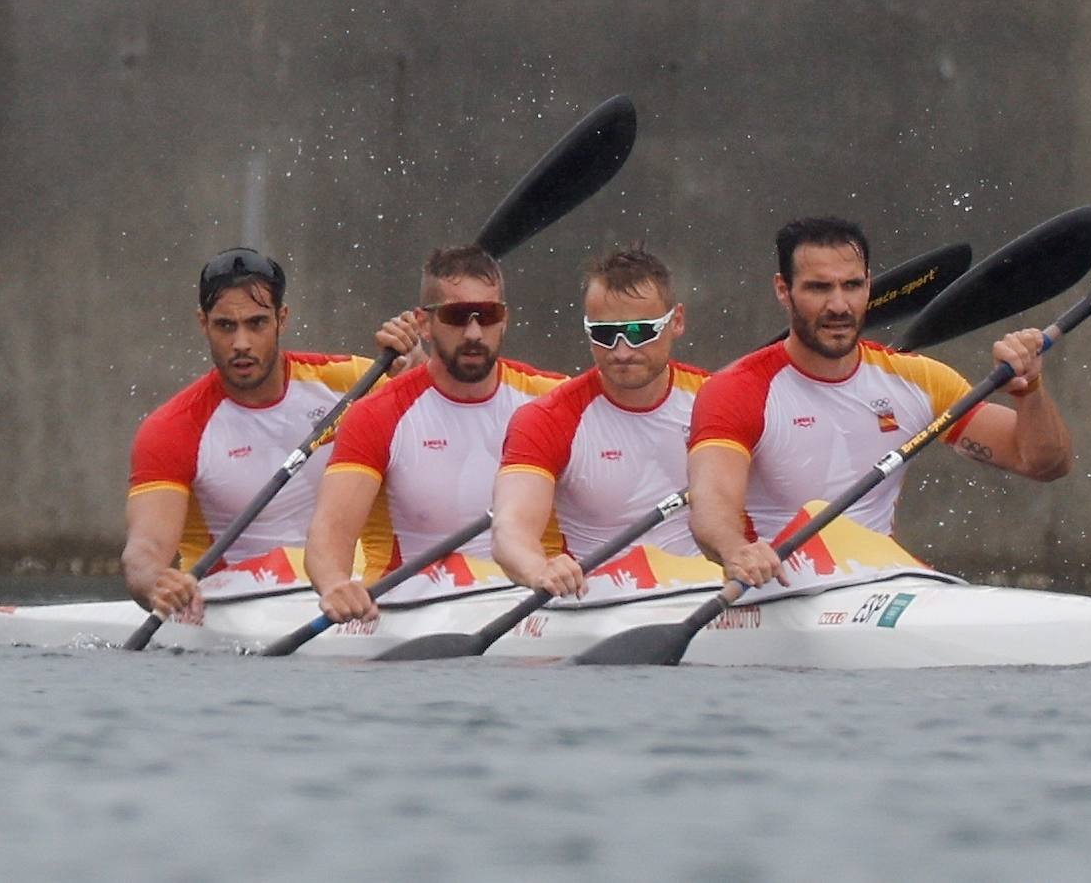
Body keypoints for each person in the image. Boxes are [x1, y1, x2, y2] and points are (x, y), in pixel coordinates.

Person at [687, 216, 1072, 588]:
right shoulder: (737, 389)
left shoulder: (918, 378)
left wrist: (1029, 389)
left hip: (879, 581)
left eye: (852, 285)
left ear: (869, 285)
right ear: (783, 290)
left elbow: (1041, 463)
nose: (839, 305)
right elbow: (711, 505)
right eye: (819, 288)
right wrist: (736, 550)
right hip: (776, 588)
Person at [123, 247, 423, 618]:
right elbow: (145, 548)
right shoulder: (174, 428)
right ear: (203, 323)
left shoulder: (352, 382)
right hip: (237, 607)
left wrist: (419, 366)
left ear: (282, 319)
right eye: (225, 326)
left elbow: (439, 418)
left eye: (257, 323)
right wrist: (156, 582)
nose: (242, 344)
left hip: (349, 590)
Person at [306, 245, 565, 623]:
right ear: (423, 324)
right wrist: (333, 585)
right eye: (457, 316)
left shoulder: (555, 400)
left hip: (526, 609)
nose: (475, 332)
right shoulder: (378, 414)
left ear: (504, 320)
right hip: (408, 614)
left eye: (488, 315)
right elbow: (330, 530)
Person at [490, 246, 709, 598]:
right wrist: (538, 568)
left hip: (705, 591)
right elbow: (509, 528)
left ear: (677, 321)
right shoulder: (548, 418)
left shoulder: (715, 401)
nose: (622, 351)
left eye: (640, 332)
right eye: (605, 334)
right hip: (594, 599)